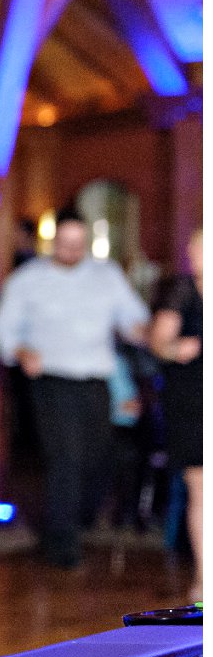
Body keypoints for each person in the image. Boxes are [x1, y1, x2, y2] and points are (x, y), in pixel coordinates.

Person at [0, 209, 150, 569]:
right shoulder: (28, 279)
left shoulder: (106, 276)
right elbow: (4, 326)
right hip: (52, 381)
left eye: (78, 244)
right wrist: (20, 350)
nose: (72, 250)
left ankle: (75, 518)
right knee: (66, 459)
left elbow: (131, 317)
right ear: (54, 242)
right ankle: (62, 542)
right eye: (65, 244)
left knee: (100, 457)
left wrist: (147, 333)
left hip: (95, 380)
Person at [151, 229, 202, 595]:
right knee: (202, 489)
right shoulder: (182, 291)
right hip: (192, 400)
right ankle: (204, 576)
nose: (190, 251)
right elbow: (157, 343)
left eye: (199, 246)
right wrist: (176, 349)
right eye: (193, 246)